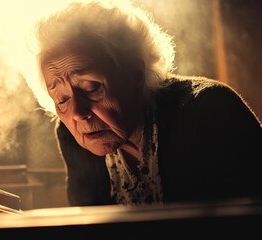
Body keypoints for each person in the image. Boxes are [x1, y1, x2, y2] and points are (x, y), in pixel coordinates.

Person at [28, 0, 262, 206]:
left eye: (92, 88)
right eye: (62, 99)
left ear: (135, 75)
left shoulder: (209, 110)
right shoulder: (72, 137)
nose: (78, 114)